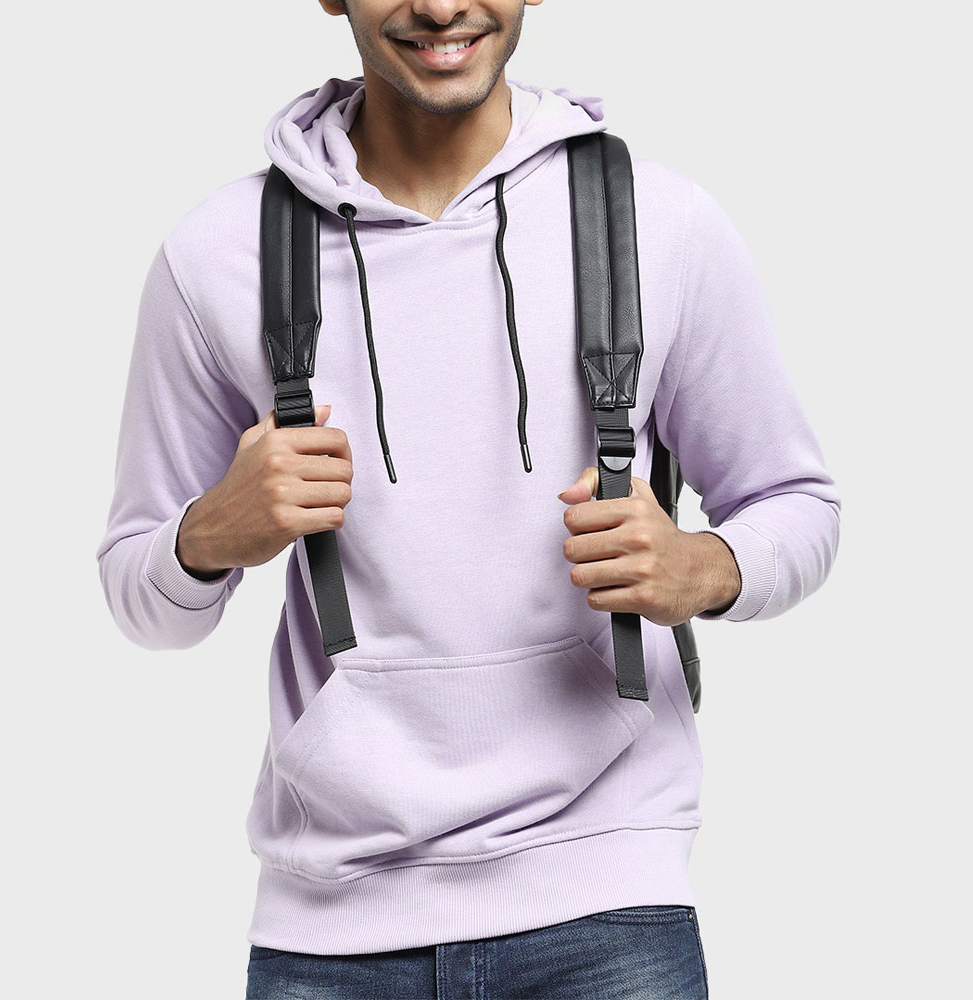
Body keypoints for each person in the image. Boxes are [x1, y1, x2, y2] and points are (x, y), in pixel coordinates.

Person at [95, 1, 842, 996]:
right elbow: (138, 595)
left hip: (608, 897)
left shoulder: (658, 224)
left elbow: (798, 500)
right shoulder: (217, 256)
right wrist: (207, 535)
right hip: (331, 928)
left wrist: (701, 566)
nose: (443, 6)